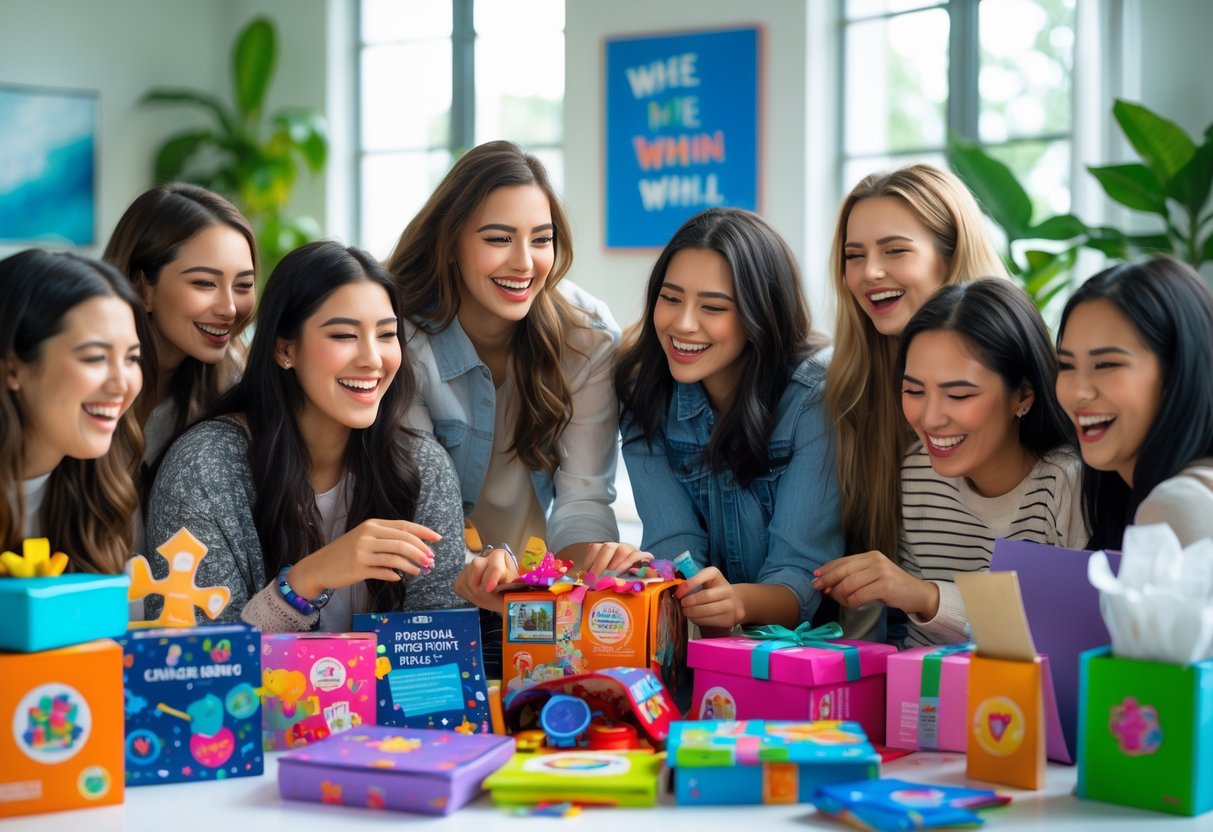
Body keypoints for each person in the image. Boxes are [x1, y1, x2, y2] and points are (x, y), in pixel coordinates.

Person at [146, 241, 468, 631]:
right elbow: (199, 668)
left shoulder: (423, 467)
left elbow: (438, 653)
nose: (372, 359)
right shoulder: (203, 469)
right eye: (344, 335)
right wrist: (306, 580)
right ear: (285, 350)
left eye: (386, 335)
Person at [385, 140, 621, 612]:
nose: (524, 262)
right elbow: (419, 512)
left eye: (541, 238)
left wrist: (594, 576)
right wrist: (473, 569)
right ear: (450, 242)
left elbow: (583, 502)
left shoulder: (587, 338)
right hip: (424, 593)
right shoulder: (399, 337)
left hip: (534, 594)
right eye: (498, 238)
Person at [814, 279, 1085, 646]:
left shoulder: (1066, 484)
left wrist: (928, 597)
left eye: (958, 394)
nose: (930, 418)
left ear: (1022, 395)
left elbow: (1066, 637)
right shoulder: (917, 472)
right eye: (913, 391)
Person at [615, 207, 841, 633]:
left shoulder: (813, 396)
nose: (683, 324)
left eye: (713, 307)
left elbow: (801, 579)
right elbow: (672, 547)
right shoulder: (642, 390)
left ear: (760, 315)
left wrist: (735, 602)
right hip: (704, 648)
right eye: (671, 298)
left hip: (808, 655)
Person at [824, 163, 1007, 637]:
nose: (870, 273)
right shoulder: (851, 391)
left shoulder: (1026, 388)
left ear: (949, 257)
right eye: (855, 255)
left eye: (895, 251)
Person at [0, 249, 143, 573]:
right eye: (94, 357)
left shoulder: (104, 499)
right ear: (12, 369)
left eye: (132, 359)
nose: (122, 384)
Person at [1056, 256, 1213, 550]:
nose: (1078, 392)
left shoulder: (1177, 506)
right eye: (1066, 365)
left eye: (1105, 364)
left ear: (1176, 371)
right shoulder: (1127, 494)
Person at [103, 183, 257, 465]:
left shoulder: (236, 391)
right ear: (141, 289)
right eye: (205, 283)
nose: (230, 308)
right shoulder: (82, 387)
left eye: (244, 284)